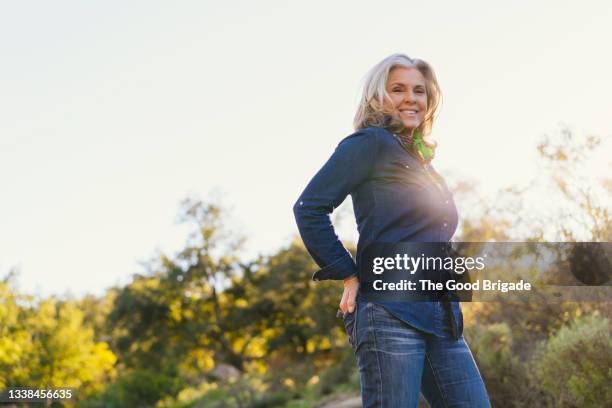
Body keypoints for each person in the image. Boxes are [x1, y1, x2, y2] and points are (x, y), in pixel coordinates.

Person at [293, 54, 491, 407]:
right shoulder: (369, 143)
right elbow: (309, 209)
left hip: (441, 318)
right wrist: (348, 273)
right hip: (389, 313)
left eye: (419, 90)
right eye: (397, 89)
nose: (410, 98)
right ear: (376, 97)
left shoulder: (421, 162)